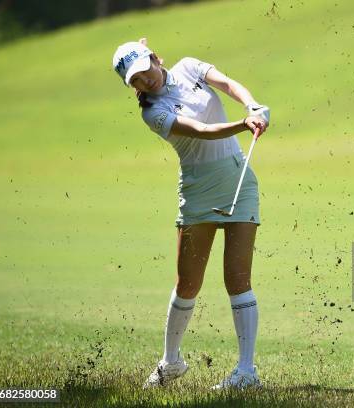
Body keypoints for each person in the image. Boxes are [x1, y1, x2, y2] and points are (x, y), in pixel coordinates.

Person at [111, 38, 270, 389]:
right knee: (187, 284)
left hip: (239, 183)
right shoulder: (152, 112)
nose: (144, 81)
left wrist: (252, 104)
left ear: (154, 59)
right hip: (198, 194)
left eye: (144, 71)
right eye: (135, 81)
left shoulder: (187, 66)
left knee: (238, 279)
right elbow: (201, 131)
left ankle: (246, 371)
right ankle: (171, 362)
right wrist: (245, 124)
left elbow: (227, 83)